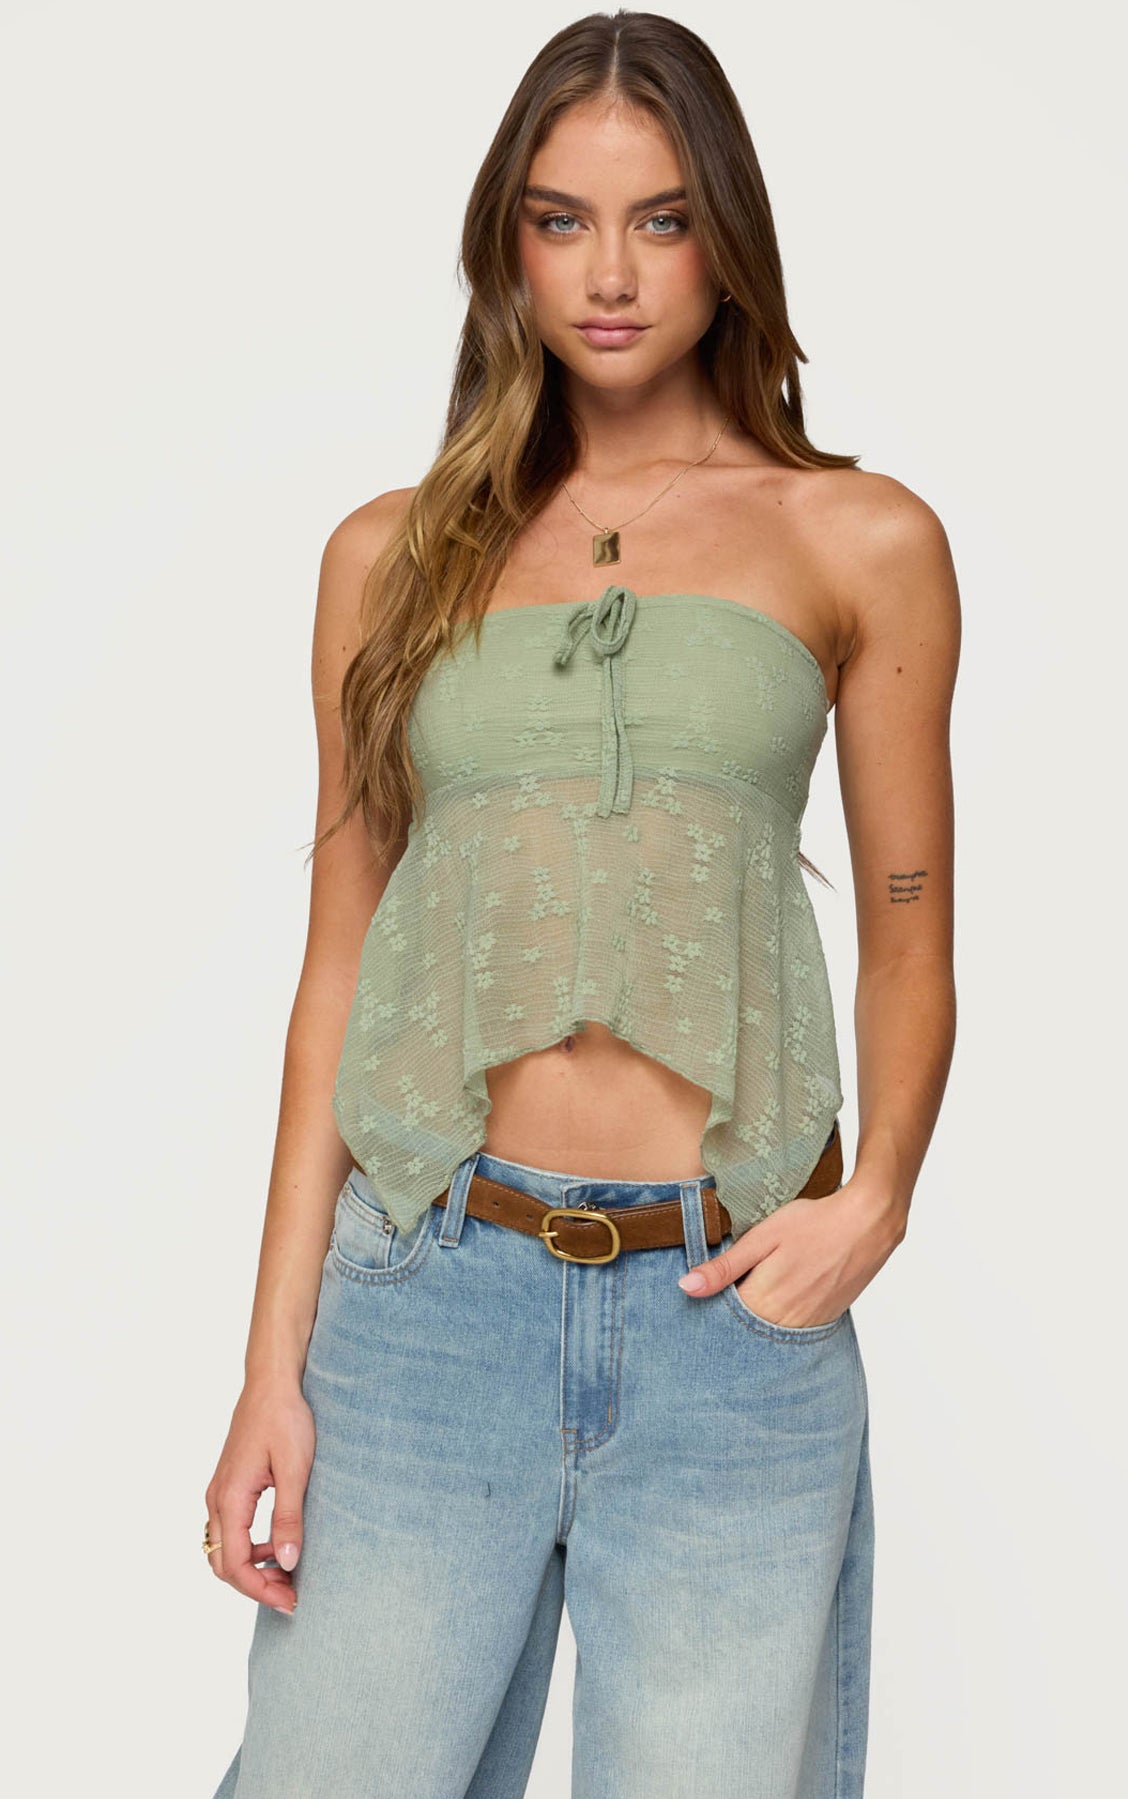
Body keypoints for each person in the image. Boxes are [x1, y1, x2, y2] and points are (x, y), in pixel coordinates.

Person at [206, 11, 959, 1797]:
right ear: (509, 244)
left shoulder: (860, 540)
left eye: (661, 219)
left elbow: (913, 935)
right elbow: (338, 971)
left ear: (727, 237)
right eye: (562, 221)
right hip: (424, 1302)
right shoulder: (388, 558)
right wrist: (269, 1370)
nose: (610, 275)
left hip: (730, 1315)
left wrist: (880, 1201)